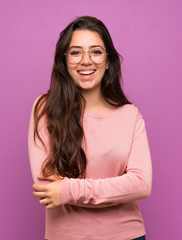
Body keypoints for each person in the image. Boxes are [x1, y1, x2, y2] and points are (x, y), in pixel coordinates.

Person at [28, 16, 152, 240]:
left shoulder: (130, 115)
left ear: (108, 61)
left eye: (96, 51)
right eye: (75, 52)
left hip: (127, 235)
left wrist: (68, 191)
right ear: (64, 61)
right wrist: (117, 189)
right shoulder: (44, 108)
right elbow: (46, 187)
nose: (86, 60)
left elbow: (142, 185)